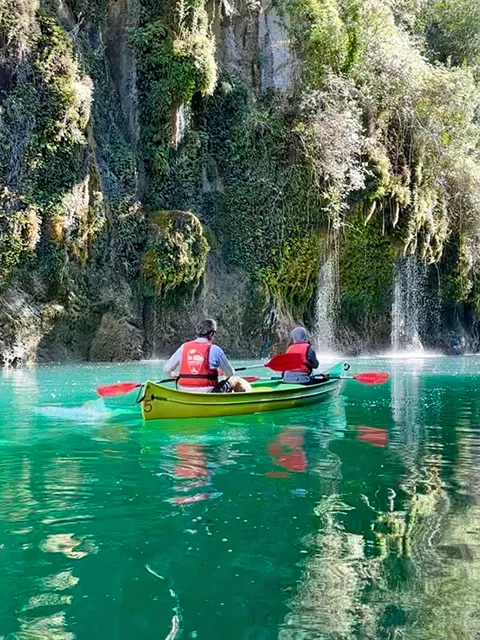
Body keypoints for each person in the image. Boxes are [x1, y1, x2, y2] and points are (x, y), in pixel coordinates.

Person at [163, 319, 252, 393]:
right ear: (212, 334)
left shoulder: (184, 347)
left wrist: (175, 376)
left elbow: (166, 369)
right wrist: (220, 372)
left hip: (183, 391)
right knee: (235, 379)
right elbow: (230, 373)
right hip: (208, 393)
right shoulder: (215, 349)